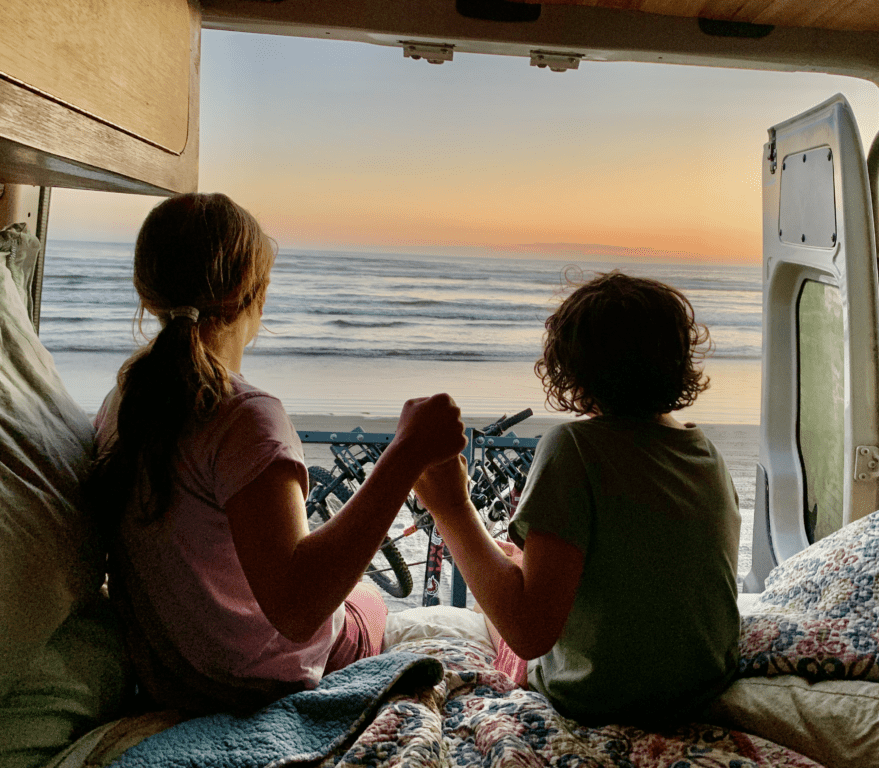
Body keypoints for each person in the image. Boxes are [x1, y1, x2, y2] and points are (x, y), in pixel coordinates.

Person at [89, 192, 467, 713]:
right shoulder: (244, 418)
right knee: (371, 602)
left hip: (172, 675)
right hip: (254, 684)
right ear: (253, 292)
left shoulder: (126, 399)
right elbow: (298, 608)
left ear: (146, 291)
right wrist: (405, 454)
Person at [413, 270, 741, 726]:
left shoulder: (574, 448)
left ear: (574, 371)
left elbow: (529, 632)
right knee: (511, 568)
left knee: (493, 617)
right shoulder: (707, 453)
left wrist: (451, 507)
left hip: (598, 699)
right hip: (700, 690)